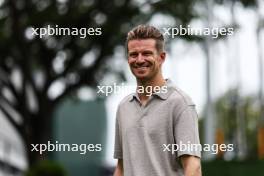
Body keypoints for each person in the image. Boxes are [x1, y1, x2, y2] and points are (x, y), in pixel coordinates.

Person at [113, 25, 201, 176]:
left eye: (147, 53)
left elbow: (192, 166)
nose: (139, 60)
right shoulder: (123, 107)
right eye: (134, 54)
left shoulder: (180, 103)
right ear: (128, 59)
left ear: (161, 57)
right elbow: (121, 167)